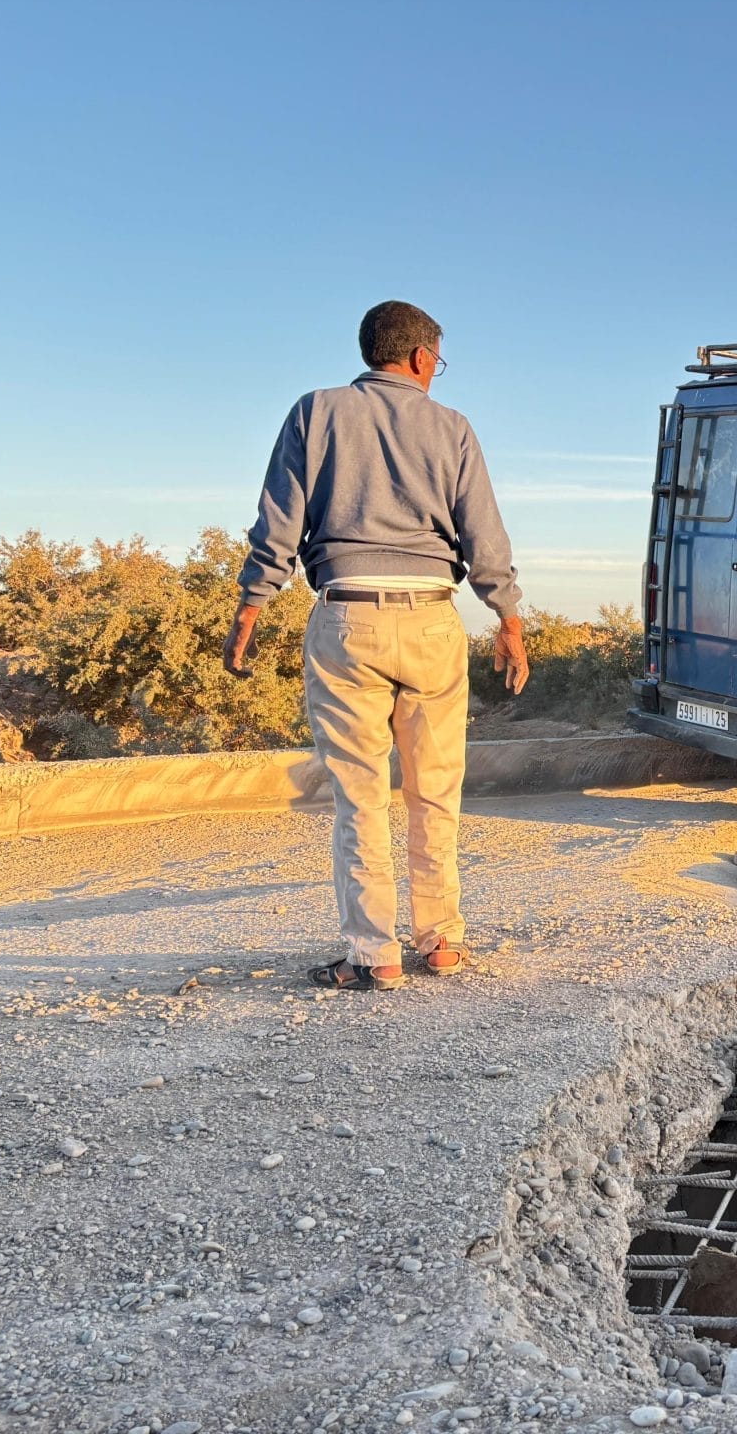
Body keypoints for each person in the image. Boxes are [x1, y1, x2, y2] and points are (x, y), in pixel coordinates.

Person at [223, 300, 529, 991]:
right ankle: (443, 940)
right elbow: (485, 536)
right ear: (421, 358)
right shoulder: (452, 428)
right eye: (438, 362)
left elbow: (277, 523)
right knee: (435, 789)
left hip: (346, 615)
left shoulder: (314, 412)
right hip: (429, 618)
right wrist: (508, 620)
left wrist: (250, 609)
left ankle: (373, 954)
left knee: (360, 796)